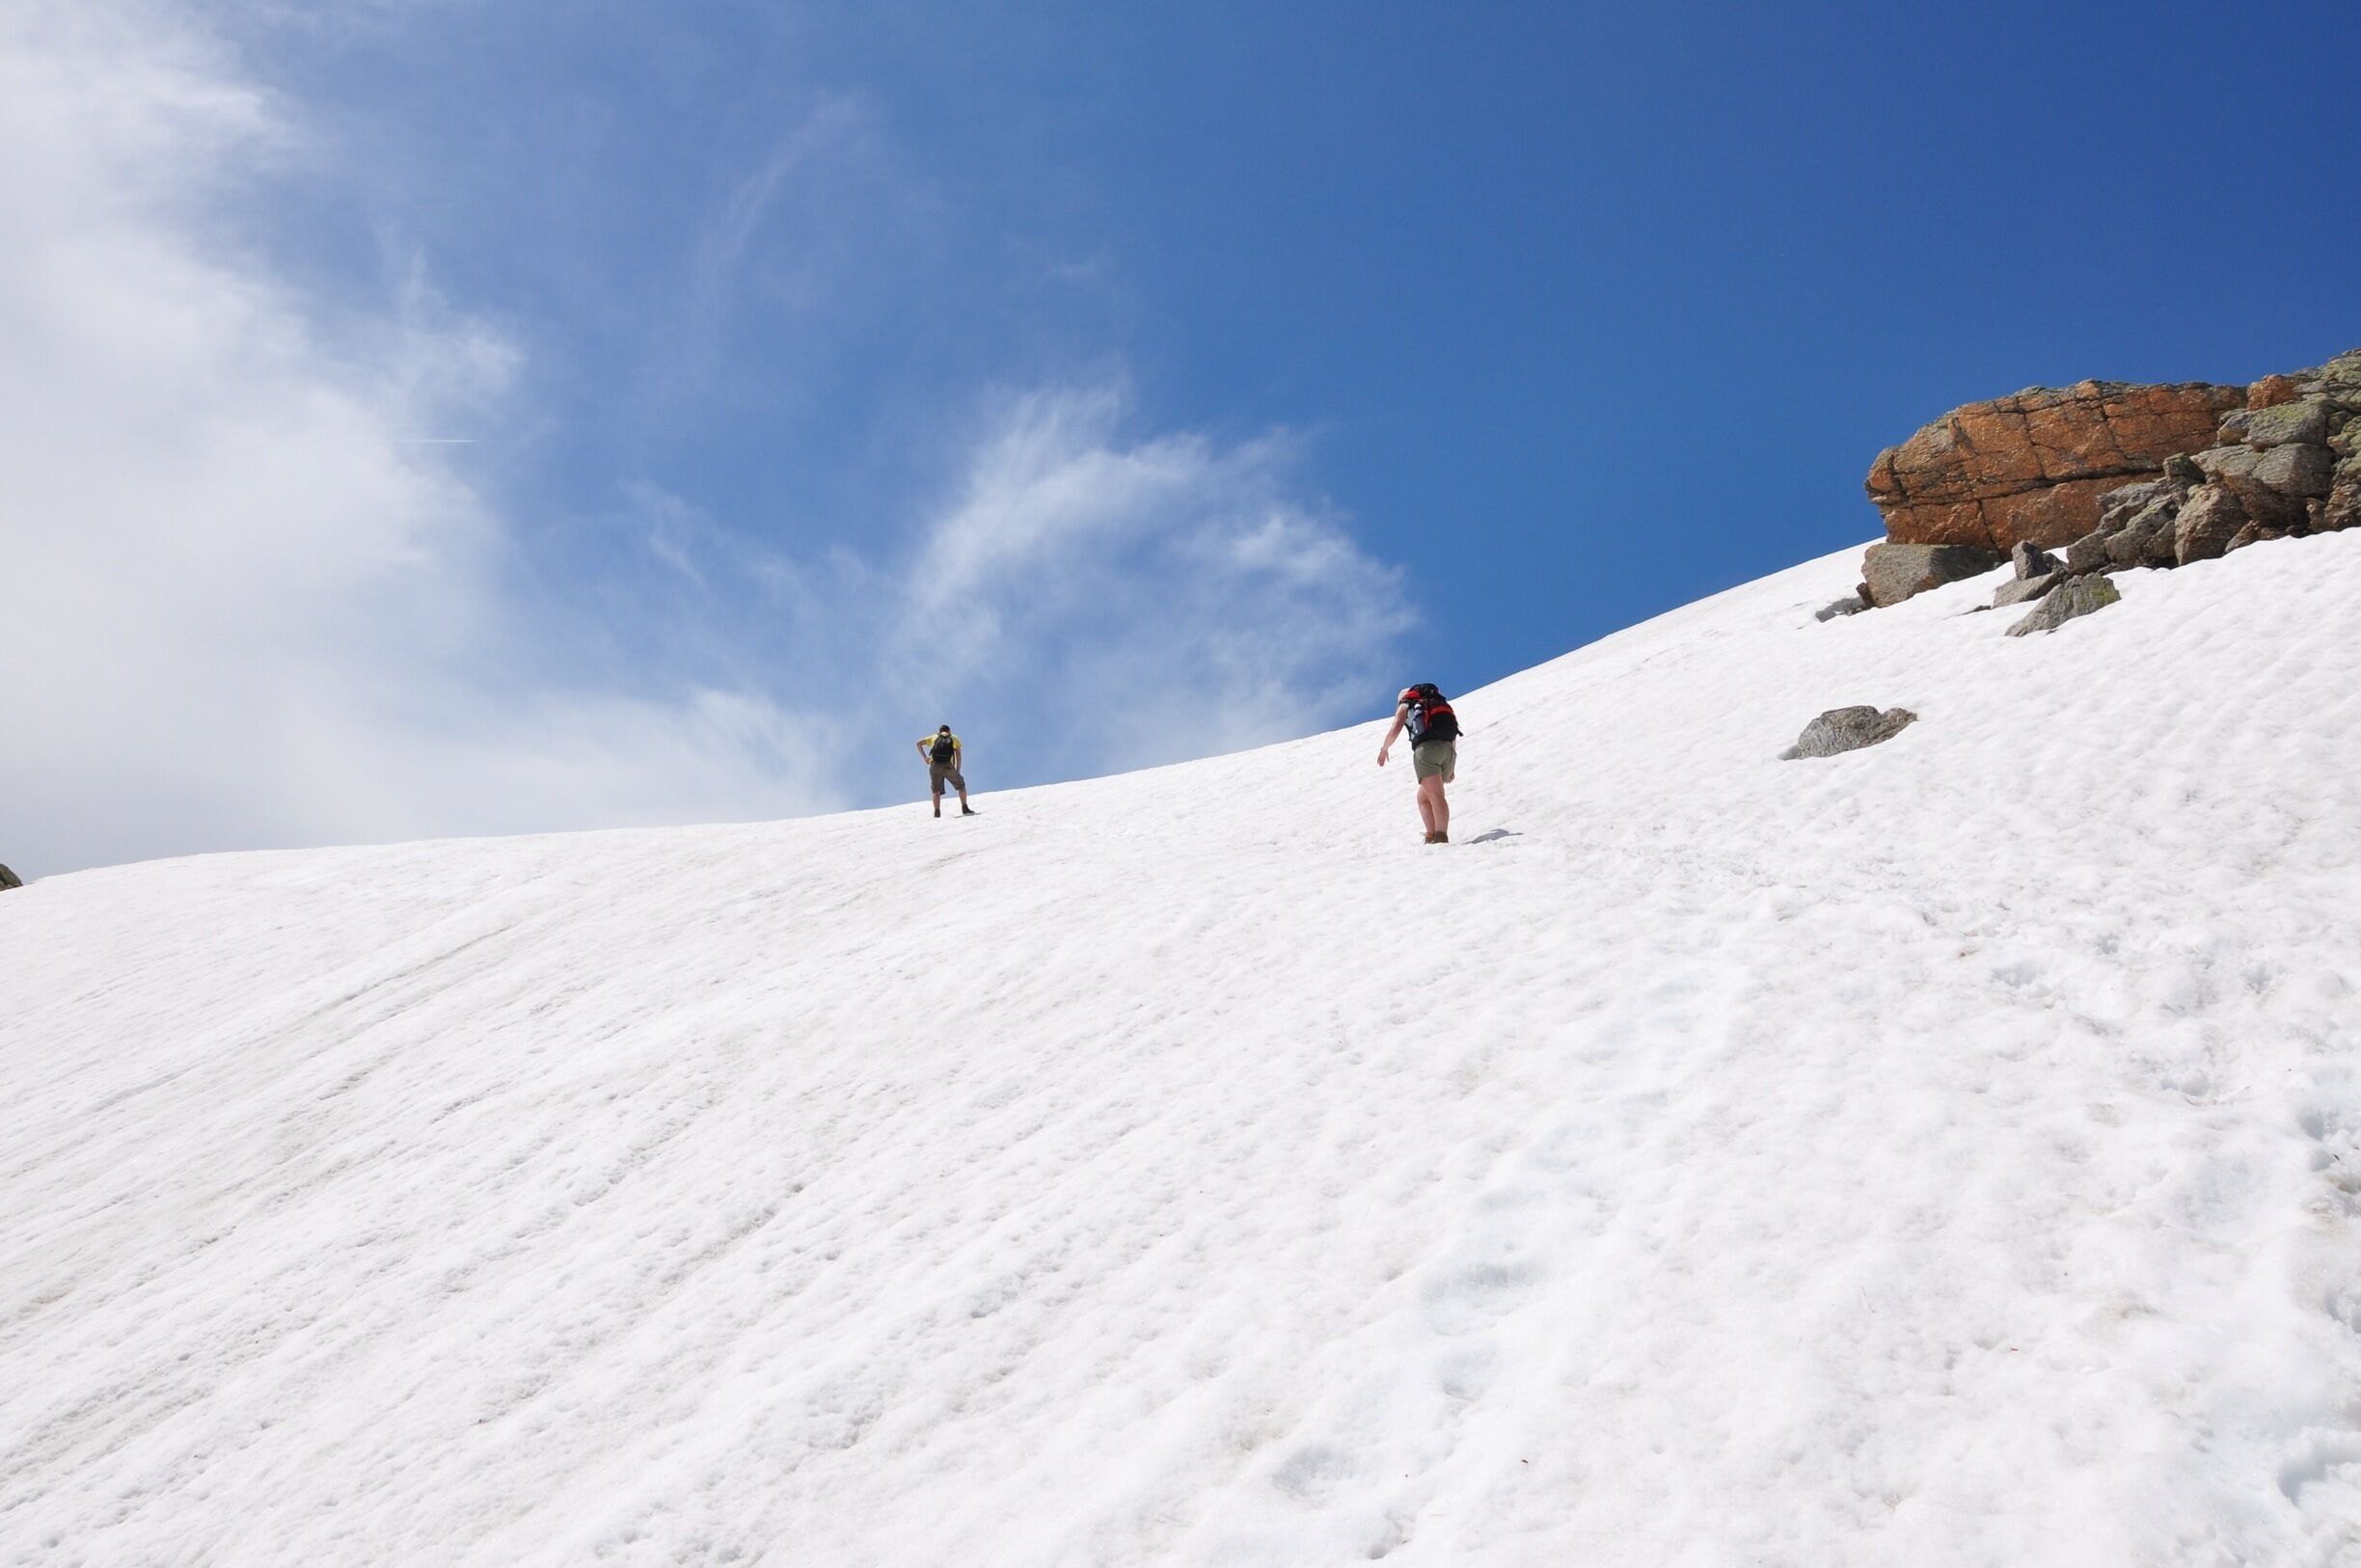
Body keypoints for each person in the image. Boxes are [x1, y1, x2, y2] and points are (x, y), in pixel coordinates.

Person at [1375, 683, 1459, 843]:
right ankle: (1431, 835)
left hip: (1427, 752)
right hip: (1448, 753)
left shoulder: (1406, 704)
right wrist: (1452, 763)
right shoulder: (1439, 704)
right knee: (1423, 798)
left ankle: (1441, 837)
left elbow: (1395, 730)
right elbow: (1453, 732)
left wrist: (1384, 749)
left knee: (1436, 796)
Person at [916, 724, 977, 818]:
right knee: (961, 786)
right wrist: (957, 770)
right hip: (947, 765)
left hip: (934, 765)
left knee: (936, 791)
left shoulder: (934, 736)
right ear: (949, 731)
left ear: (940, 731)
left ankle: (937, 812)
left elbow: (918, 743)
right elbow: (958, 756)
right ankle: (964, 808)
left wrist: (925, 758)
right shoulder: (954, 738)